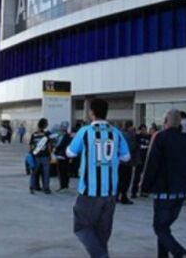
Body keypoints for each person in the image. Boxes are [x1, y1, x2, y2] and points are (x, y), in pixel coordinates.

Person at [66, 99, 130, 258]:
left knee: (81, 227)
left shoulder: (85, 131)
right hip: (110, 191)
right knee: (102, 234)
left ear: (92, 112)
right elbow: (126, 157)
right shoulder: (116, 133)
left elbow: (70, 153)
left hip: (89, 191)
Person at [141, 109, 186, 258]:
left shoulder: (161, 138)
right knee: (165, 227)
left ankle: (180, 253)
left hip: (164, 192)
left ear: (165, 121)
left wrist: (144, 186)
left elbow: (152, 164)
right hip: (180, 192)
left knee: (159, 227)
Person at [29, 118, 53, 194]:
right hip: (45, 156)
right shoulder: (46, 134)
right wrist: (50, 155)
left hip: (36, 156)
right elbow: (49, 146)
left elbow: (30, 146)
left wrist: (32, 153)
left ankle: (32, 187)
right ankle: (46, 188)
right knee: (46, 173)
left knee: (34, 173)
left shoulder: (34, 134)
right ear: (45, 125)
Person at [117, 121, 137, 204]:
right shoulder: (130, 135)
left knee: (119, 179)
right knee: (126, 180)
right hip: (127, 161)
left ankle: (116, 196)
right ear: (130, 127)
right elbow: (133, 147)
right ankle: (124, 197)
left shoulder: (119, 134)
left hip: (119, 161)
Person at [131, 124, 151, 199]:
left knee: (146, 176)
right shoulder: (137, 137)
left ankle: (144, 191)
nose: (144, 131)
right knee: (137, 176)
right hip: (139, 159)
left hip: (146, 158)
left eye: (145, 129)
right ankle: (134, 192)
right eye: (142, 129)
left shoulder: (149, 137)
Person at [54, 122, 73, 191]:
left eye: (61, 126)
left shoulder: (64, 136)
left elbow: (59, 145)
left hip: (61, 155)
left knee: (61, 171)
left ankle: (63, 186)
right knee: (65, 171)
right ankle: (65, 185)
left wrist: (55, 148)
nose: (60, 127)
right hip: (65, 155)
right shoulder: (67, 136)